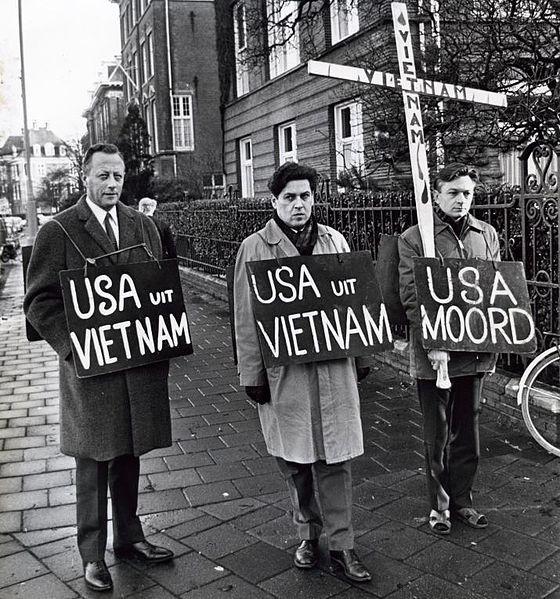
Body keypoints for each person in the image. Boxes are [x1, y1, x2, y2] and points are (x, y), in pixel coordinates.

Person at [24, 143, 174, 592]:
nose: (112, 184)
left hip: (134, 365)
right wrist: (74, 347)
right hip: (89, 372)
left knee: (128, 452)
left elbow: (157, 283)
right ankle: (92, 555)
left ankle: (130, 538)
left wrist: (163, 331)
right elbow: (39, 301)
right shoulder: (60, 230)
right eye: (103, 176)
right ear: (85, 177)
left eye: (118, 176)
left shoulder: (142, 225)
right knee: (91, 460)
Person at [233, 162, 372, 583]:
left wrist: (362, 356)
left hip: (333, 370)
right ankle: (308, 535)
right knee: (295, 461)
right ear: (274, 201)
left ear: (315, 198)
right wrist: (252, 375)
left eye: (306, 196)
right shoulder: (255, 248)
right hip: (286, 375)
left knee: (337, 459)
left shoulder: (335, 240)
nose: (299, 204)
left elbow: (356, 304)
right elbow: (245, 318)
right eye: (290, 197)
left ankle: (344, 545)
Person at [398, 163, 500, 535]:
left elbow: (494, 290)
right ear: (436, 195)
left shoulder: (485, 234)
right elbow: (411, 295)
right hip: (435, 355)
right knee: (436, 433)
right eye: (453, 192)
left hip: (474, 350)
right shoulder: (416, 237)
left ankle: (463, 501)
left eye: (467, 193)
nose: (461, 200)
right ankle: (439, 507)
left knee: (468, 431)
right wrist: (433, 342)